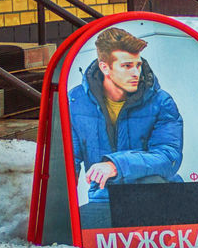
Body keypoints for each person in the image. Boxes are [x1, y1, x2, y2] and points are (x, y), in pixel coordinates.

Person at [68, 27, 183, 229]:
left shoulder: (161, 102)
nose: (135, 73)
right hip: (105, 201)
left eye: (138, 65)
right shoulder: (75, 102)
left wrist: (116, 166)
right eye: (127, 66)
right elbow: (67, 164)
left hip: (157, 196)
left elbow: (168, 157)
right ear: (105, 67)